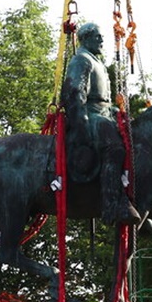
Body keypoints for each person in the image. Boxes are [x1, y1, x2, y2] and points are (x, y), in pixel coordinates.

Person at [60, 21, 141, 226]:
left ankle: (138, 199)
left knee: (135, 139)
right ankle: (111, 204)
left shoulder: (98, 63)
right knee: (114, 148)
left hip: (103, 113)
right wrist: (81, 125)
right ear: (86, 38)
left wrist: (115, 111)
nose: (102, 40)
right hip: (90, 115)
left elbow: (102, 98)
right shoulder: (82, 60)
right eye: (97, 36)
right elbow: (74, 93)